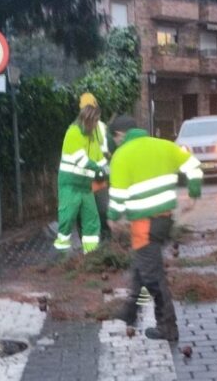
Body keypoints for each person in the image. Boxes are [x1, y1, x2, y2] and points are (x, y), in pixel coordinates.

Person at [107, 115, 203, 341]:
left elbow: (118, 194)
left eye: (116, 139)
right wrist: (193, 194)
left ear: (120, 135)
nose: (116, 143)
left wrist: (113, 218)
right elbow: (195, 167)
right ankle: (131, 310)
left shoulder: (122, 155)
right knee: (142, 267)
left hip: (144, 224)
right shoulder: (164, 146)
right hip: (164, 221)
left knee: (152, 277)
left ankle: (168, 326)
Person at [54, 104, 106, 254]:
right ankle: (61, 253)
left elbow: (99, 159)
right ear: (87, 119)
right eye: (95, 120)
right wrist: (99, 170)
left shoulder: (93, 136)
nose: (96, 124)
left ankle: (91, 254)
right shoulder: (73, 133)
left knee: (91, 220)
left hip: (85, 186)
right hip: (70, 184)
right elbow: (81, 160)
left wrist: (107, 169)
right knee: (67, 218)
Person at [79, 92, 112, 241]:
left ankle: (105, 239)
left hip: (99, 179)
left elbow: (108, 152)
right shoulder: (76, 130)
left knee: (102, 211)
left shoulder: (102, 128)